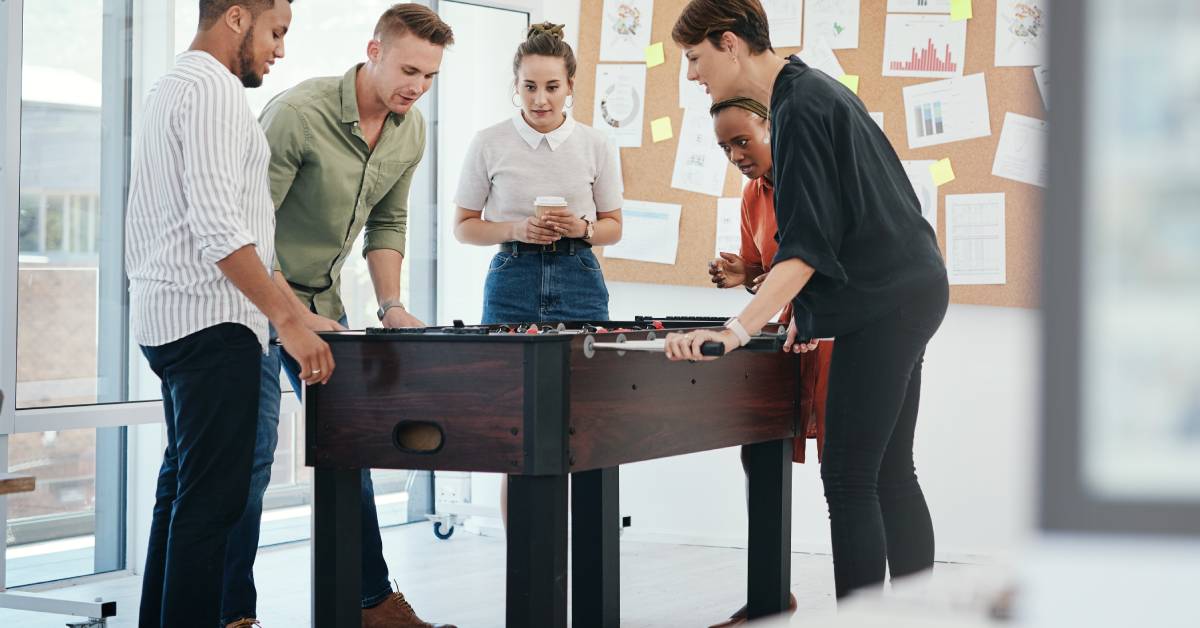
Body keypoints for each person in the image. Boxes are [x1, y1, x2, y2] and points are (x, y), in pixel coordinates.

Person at [668, 0, 951, 607]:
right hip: (911, 289)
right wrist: (811, 313)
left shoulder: (799, 106)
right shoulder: (812, 90)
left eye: (694, 59)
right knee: (889, 472)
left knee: (849, 477)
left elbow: (806, 248)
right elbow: (841, 225)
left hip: (887, 304)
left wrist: (737, 330)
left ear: (729, 43)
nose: (692, 75)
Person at [221, 4, 456, 628]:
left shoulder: (411, 129)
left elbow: (388, 221)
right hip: (253, 302)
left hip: (324, 304)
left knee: (351, 442)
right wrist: (288, 317)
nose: (417, 86)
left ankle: (371, 603)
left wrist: (392, 306)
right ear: (373, 51)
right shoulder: (299, 114)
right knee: (248, 454)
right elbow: (249, 229)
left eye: (430, 76)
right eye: (409, 69)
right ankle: (232, 615)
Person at [125, 1, 332, 626]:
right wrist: (290, 325)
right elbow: (221, 232)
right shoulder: (214, 93)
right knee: (212, 510)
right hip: (212, 325)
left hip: (168, 322)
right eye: (277, 32)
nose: (281, 49)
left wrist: (294, 310)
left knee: (181, 495)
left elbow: (235, 229)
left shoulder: (171, 85)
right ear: (237, 18)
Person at [452, 22, 624, 525]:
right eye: (530, 86)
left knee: (586, 425)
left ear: (570, 86)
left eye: (552, 87)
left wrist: (582, 226)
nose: (541, 99)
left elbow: (614, 227)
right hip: (512, 277)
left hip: (579, 275)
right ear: (516, 85)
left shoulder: (596, 144)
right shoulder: (489, 143)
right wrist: (518, 229)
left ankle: (583, 555)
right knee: (516, 431)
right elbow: (464, 228)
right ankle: (524, 559)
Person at [705, 96, 833, 627]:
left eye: (743, 141)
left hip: (831, 330)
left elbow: (825, 257)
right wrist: (742, 274)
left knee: (846, 470)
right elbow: (767, 271)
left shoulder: (810, 179)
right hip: (787, 332)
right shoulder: (752, 193)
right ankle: (770, 596)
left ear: (773, 129)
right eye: (724, 146)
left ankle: (871, 604)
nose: (736, 154)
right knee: (760, 451)